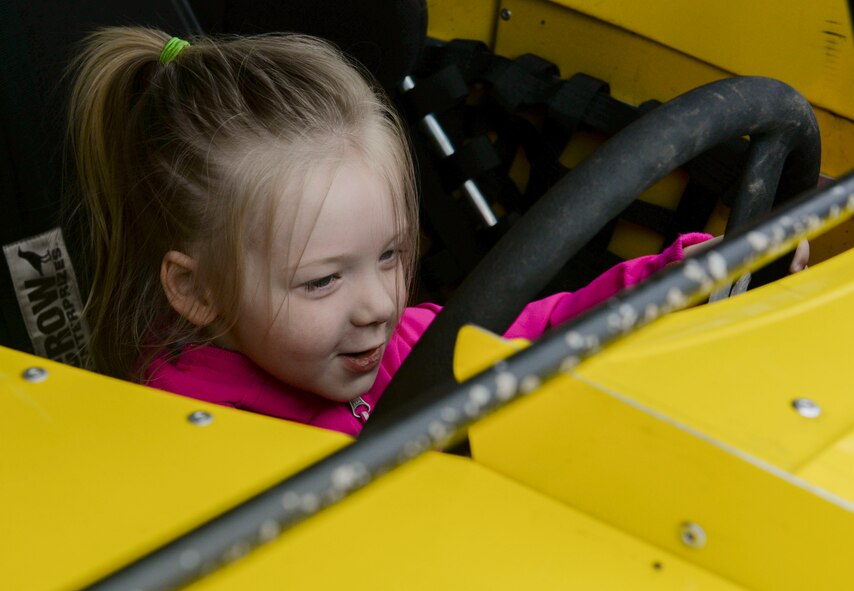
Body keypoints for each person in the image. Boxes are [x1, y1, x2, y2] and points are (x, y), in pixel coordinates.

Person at [69, 27, 799, 437]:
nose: (377, 305)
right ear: (197, 291)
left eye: (388, 254)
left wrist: (678, 279)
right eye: (323, 278)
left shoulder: (389, 346)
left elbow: (529, 329)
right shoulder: (185, 436)